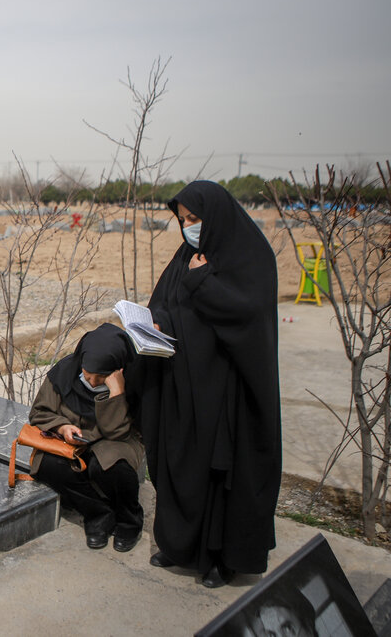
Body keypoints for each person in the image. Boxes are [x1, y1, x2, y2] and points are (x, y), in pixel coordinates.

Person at [142, 180, 281, 588]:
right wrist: (153, 321)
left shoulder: (251, 257)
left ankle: (221, 560)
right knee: (181, 464)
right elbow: (167, 301)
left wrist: (202, 282)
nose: (188, 227)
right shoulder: (187, 255)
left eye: (195, 218)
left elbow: (248, 318)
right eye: (183, 219)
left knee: (220, 475)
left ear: (216, 215)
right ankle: (178, 546)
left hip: (225, 394)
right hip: (184, 385)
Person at [28, 323, 144, 552]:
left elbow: (117, 432)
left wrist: (116, 394)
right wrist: (62, 427)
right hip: (73, 439)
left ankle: (129, 521)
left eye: (100, 379)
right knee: (47, 465)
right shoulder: (66, 371)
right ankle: (98, 514)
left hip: (113, 440)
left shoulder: (133, 382)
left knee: (110, 467)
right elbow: (39, 412)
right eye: (88, 376)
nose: (91, 383)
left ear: (117, 370)